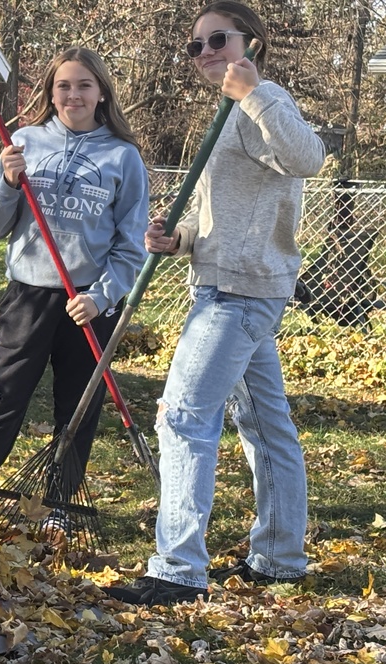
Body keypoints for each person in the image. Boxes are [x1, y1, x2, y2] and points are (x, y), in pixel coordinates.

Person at [105, 1, 325, 607]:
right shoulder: (230, 111)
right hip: (235, 283)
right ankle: (280, 558)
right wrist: (178, 239)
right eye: (195, 46)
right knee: (265, 423)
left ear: (252, 43)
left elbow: (307, 158)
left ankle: (177, 569)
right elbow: (215, 214)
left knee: (182, 416)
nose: (204, 53)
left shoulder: (263, 99)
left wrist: (254, 94)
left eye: (217, 40)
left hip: (239, 292)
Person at [0, 48, 149, 514]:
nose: (74, 95)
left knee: (77, 409)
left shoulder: (123, 156)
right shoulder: (23, 142)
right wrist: (7, 182)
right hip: (28, 296)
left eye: (84, 85)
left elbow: (131, 244)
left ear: (101, 93)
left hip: (88, 304)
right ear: (51, 94)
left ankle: (61, 505)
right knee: (5, 398)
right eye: (63, 86)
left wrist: (101, 297)